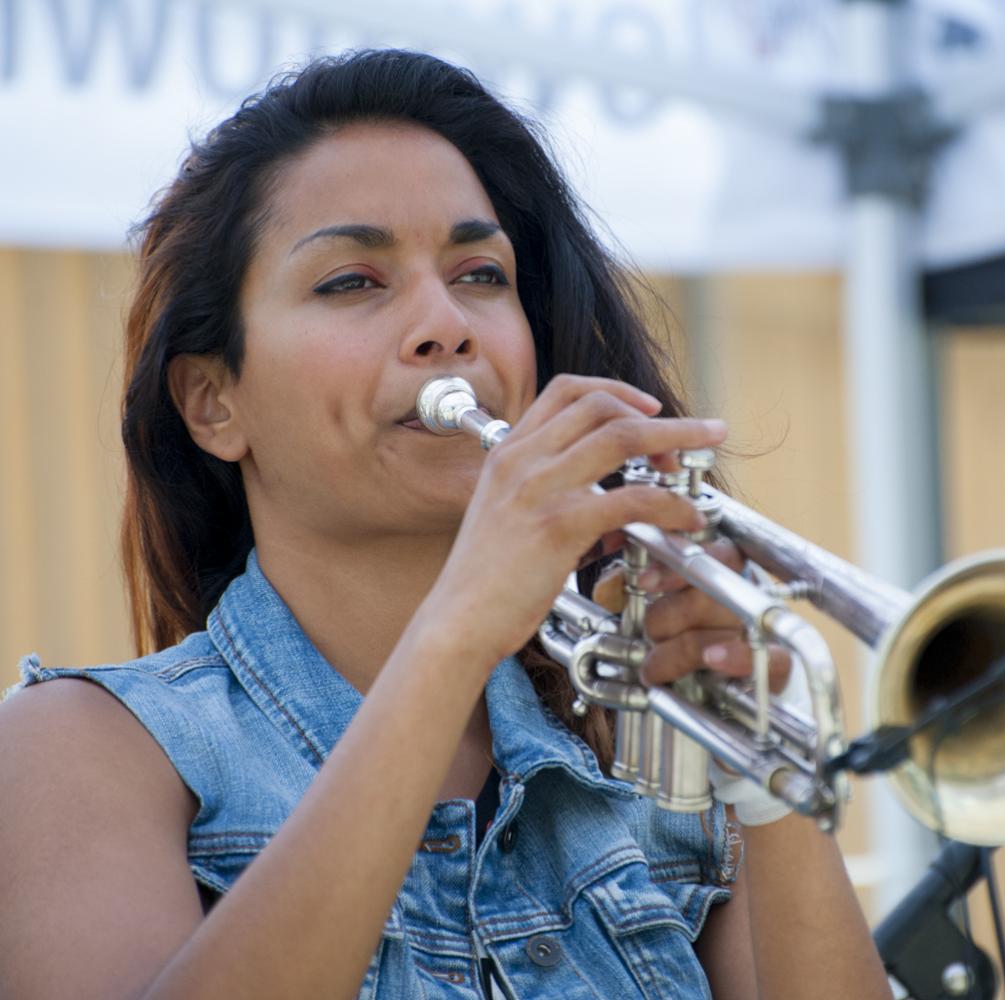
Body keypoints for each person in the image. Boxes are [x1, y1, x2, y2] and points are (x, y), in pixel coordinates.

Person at [0, 49, 889, 999]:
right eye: (352, 282)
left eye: (480, 273)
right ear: (214, 403)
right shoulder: (79, 750)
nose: (446, 325)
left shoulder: (642, 758)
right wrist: (457, 630)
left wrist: (765, 770)